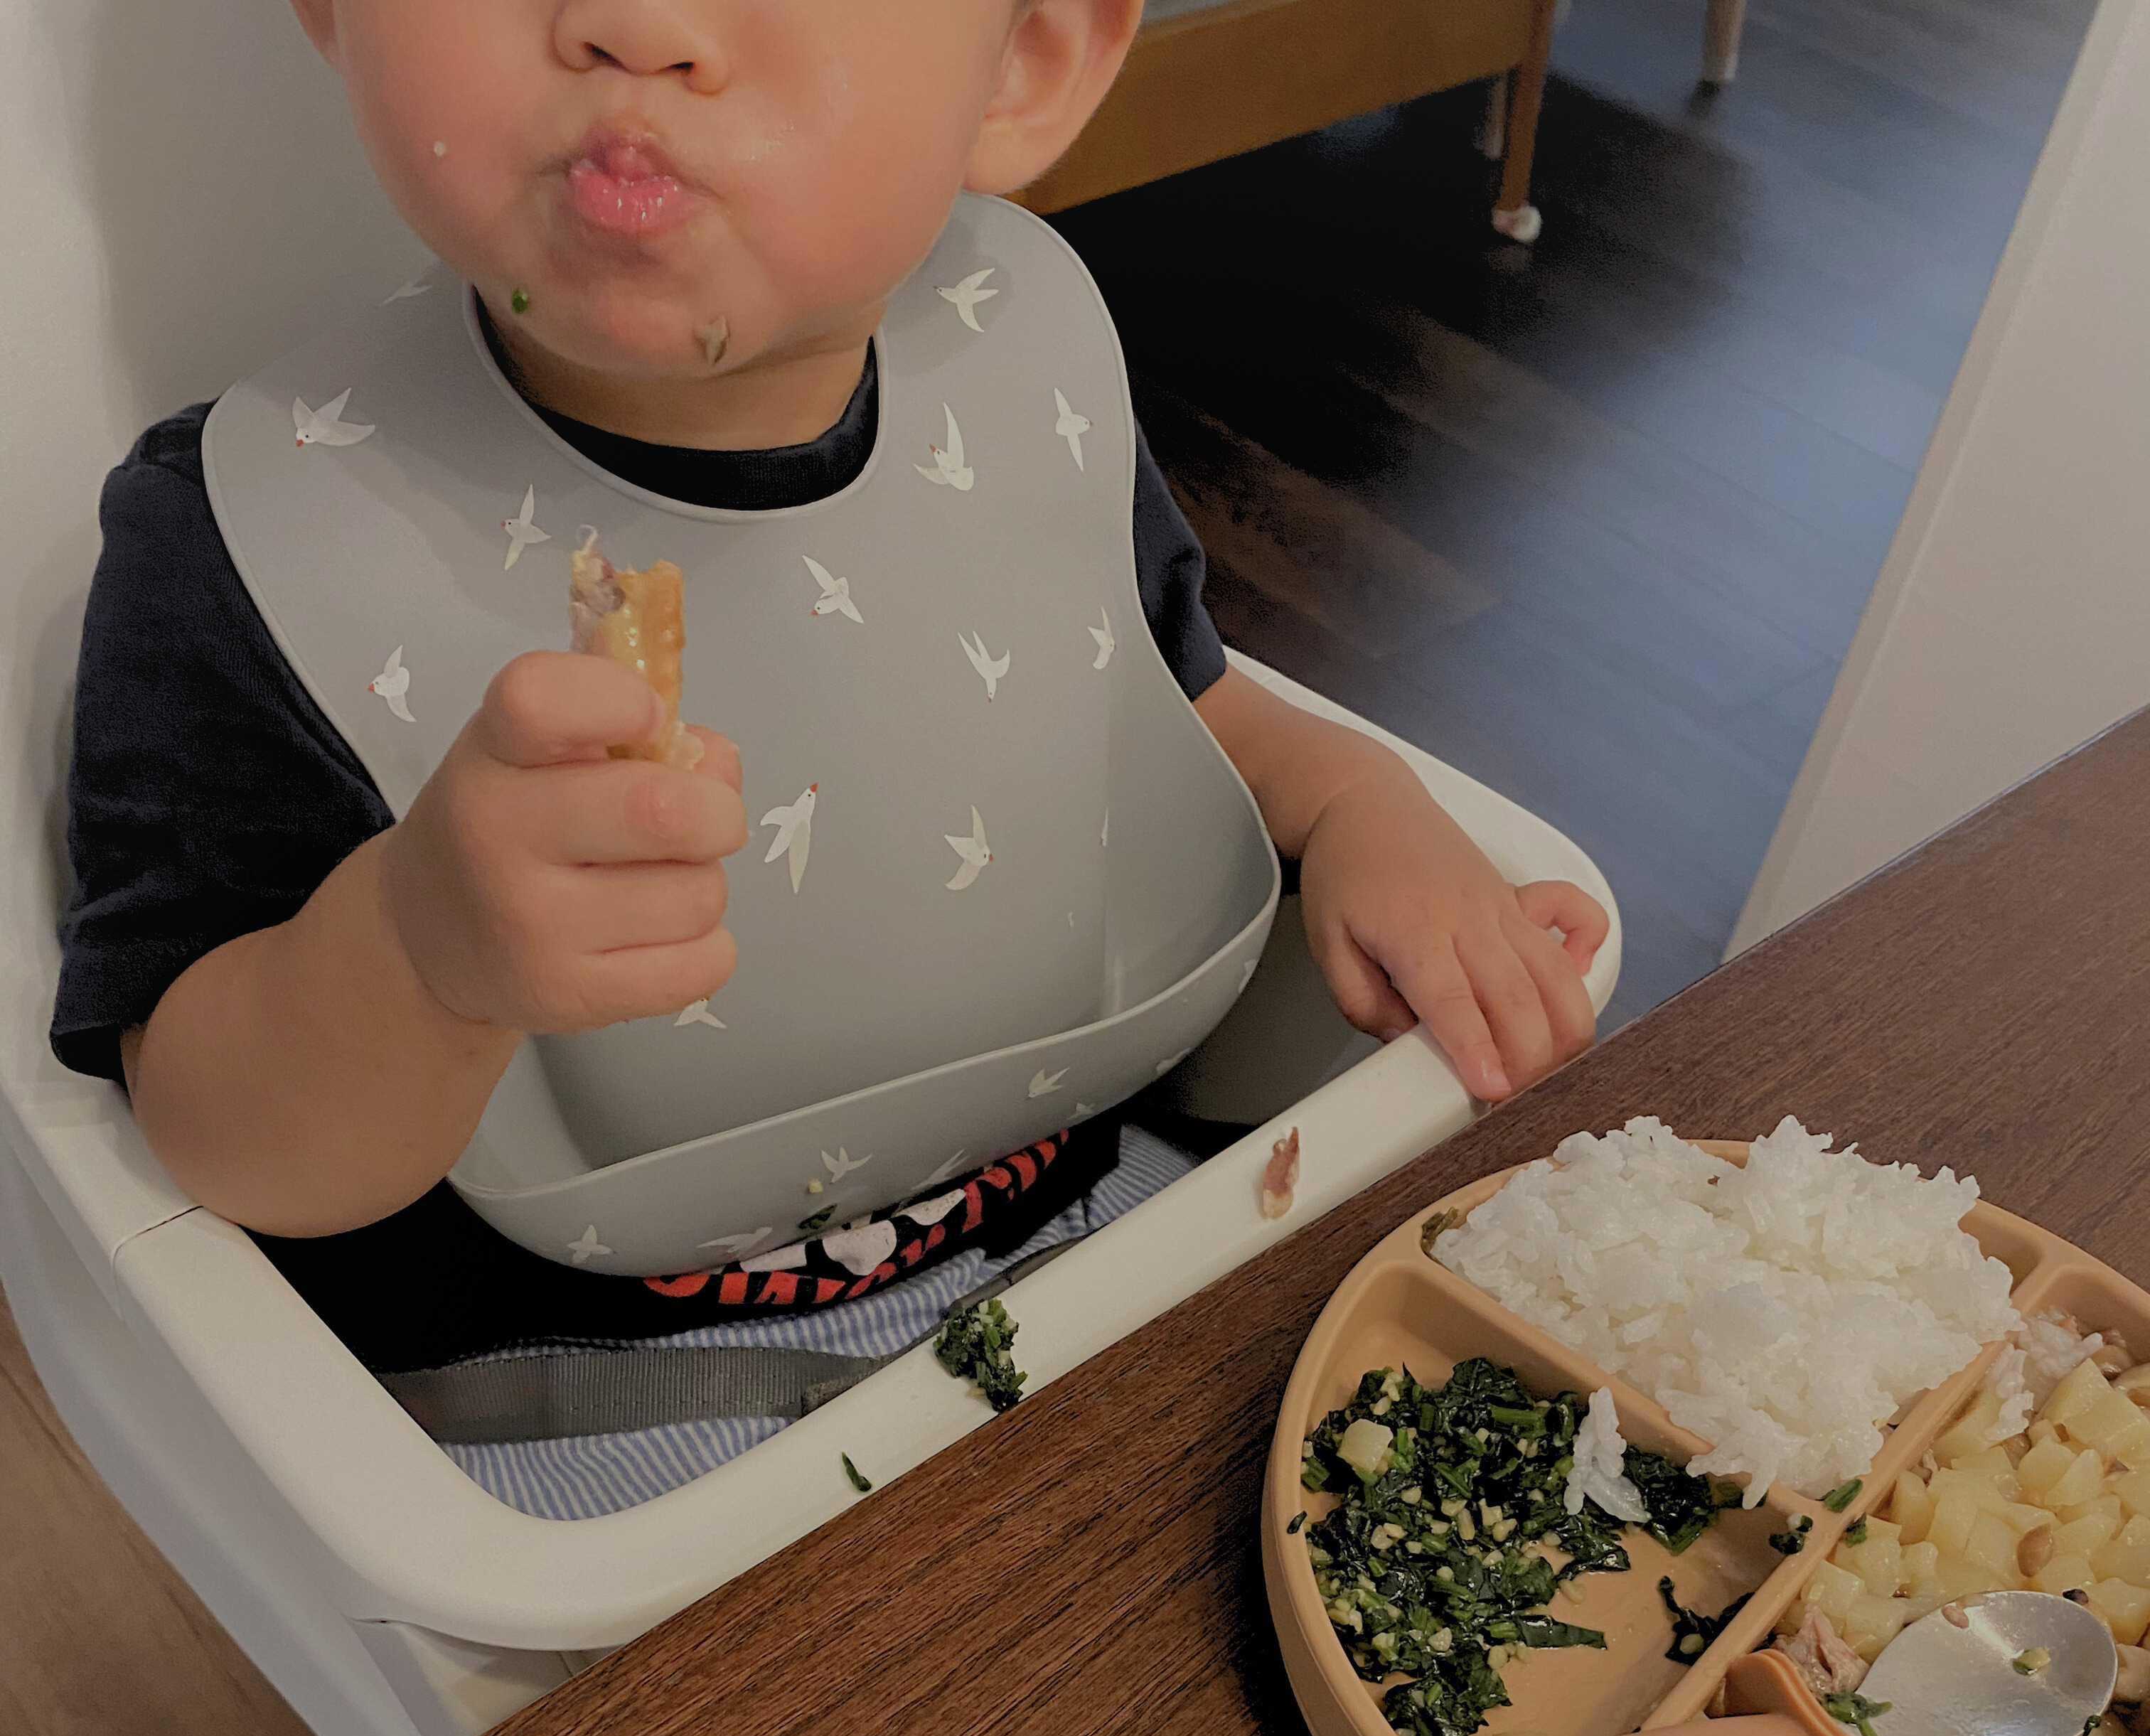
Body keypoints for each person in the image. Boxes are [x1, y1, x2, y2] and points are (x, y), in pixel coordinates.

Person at [53, 0, 1607, 1467]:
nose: (636, 25)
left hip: (1110, 1229)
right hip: (577, 1408)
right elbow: (213, 1136)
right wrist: (416, 951)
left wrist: (1354, 803)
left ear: (1034, 61)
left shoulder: (1024, 366)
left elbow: (1164, 699)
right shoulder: (247, 536)